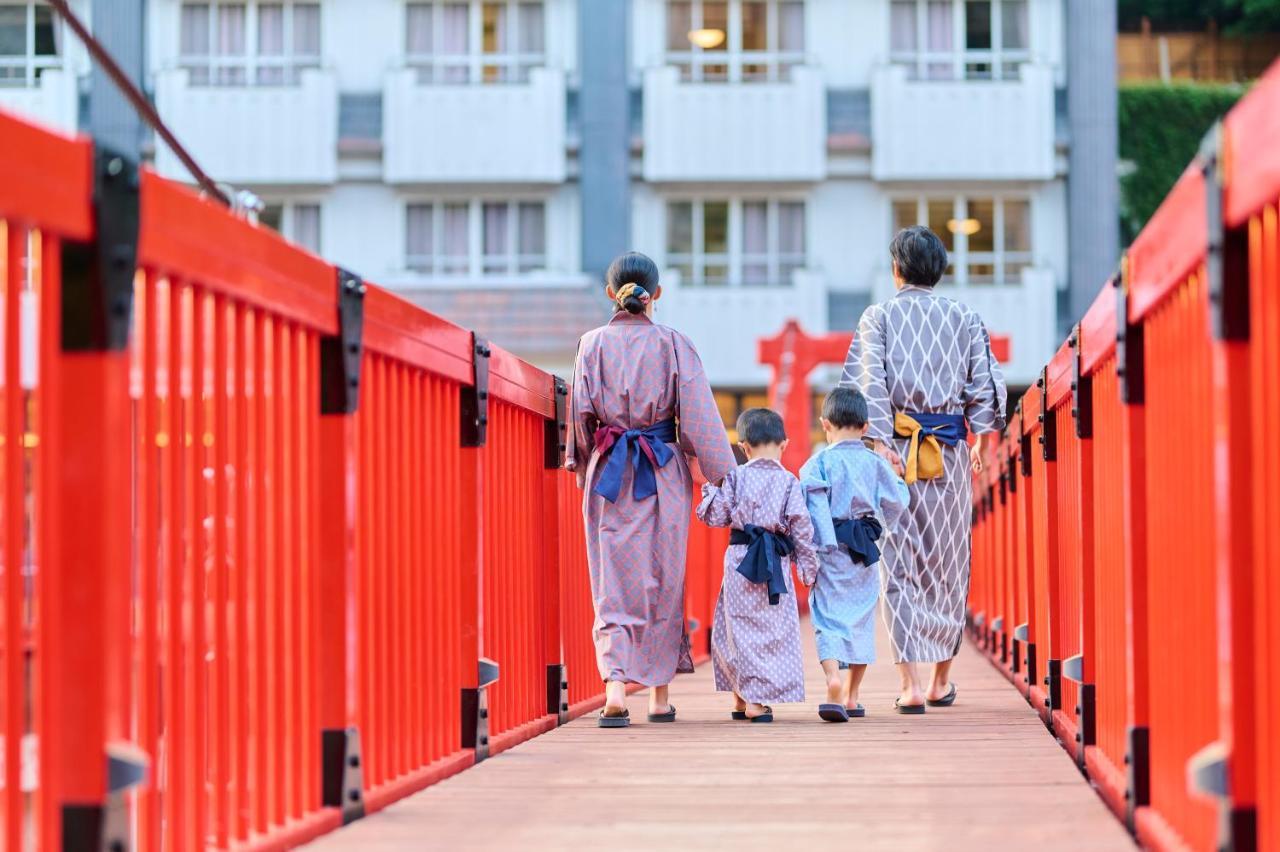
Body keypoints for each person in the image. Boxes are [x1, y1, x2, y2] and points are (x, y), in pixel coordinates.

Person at [841, 225, 1007, 713]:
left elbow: (868, 385)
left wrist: (879, 443)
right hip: (950, 453)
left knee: (898, 564)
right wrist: (980, 437)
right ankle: (940, 681)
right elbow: (985, 388)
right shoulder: (963, 316)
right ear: (939, 270)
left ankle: (910, 685)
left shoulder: (879, 316)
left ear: (896, 270)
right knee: (949, 560)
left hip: (895, 452)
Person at [567, 252, 736, 728]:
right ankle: (659, 697)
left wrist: (580, 463)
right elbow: (700, 419)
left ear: (609, 295)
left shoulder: (591, 344)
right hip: (662, 471)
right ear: (656, 294)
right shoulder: (674, 344)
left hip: (609, 474)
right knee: (662, 578)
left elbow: (581, 418)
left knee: (612, 581)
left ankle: (615, 687)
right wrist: (725, 476)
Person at [696, 408, 819, 724]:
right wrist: (806, 565)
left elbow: (715, 516)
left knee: (738, 627)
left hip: (739, 559)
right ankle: (756, 701)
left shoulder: (735, 477)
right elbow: (801, 526)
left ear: (743, 447)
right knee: (770, 629)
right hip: (774, 562)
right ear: (784, 445)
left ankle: (741, 696)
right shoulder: (789, 481)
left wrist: (711, 488)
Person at [800, 388, 909, 722]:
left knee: (827, 618)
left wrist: (818, 543)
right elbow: (897, 501)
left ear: (825, 424)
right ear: (865, 427)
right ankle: (851, 694)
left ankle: (832, 678)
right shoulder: (874, 462)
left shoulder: (817, 462)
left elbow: (807, 504)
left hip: (829, 549)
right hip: (862, 549)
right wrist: (899, 480)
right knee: (860, 618)